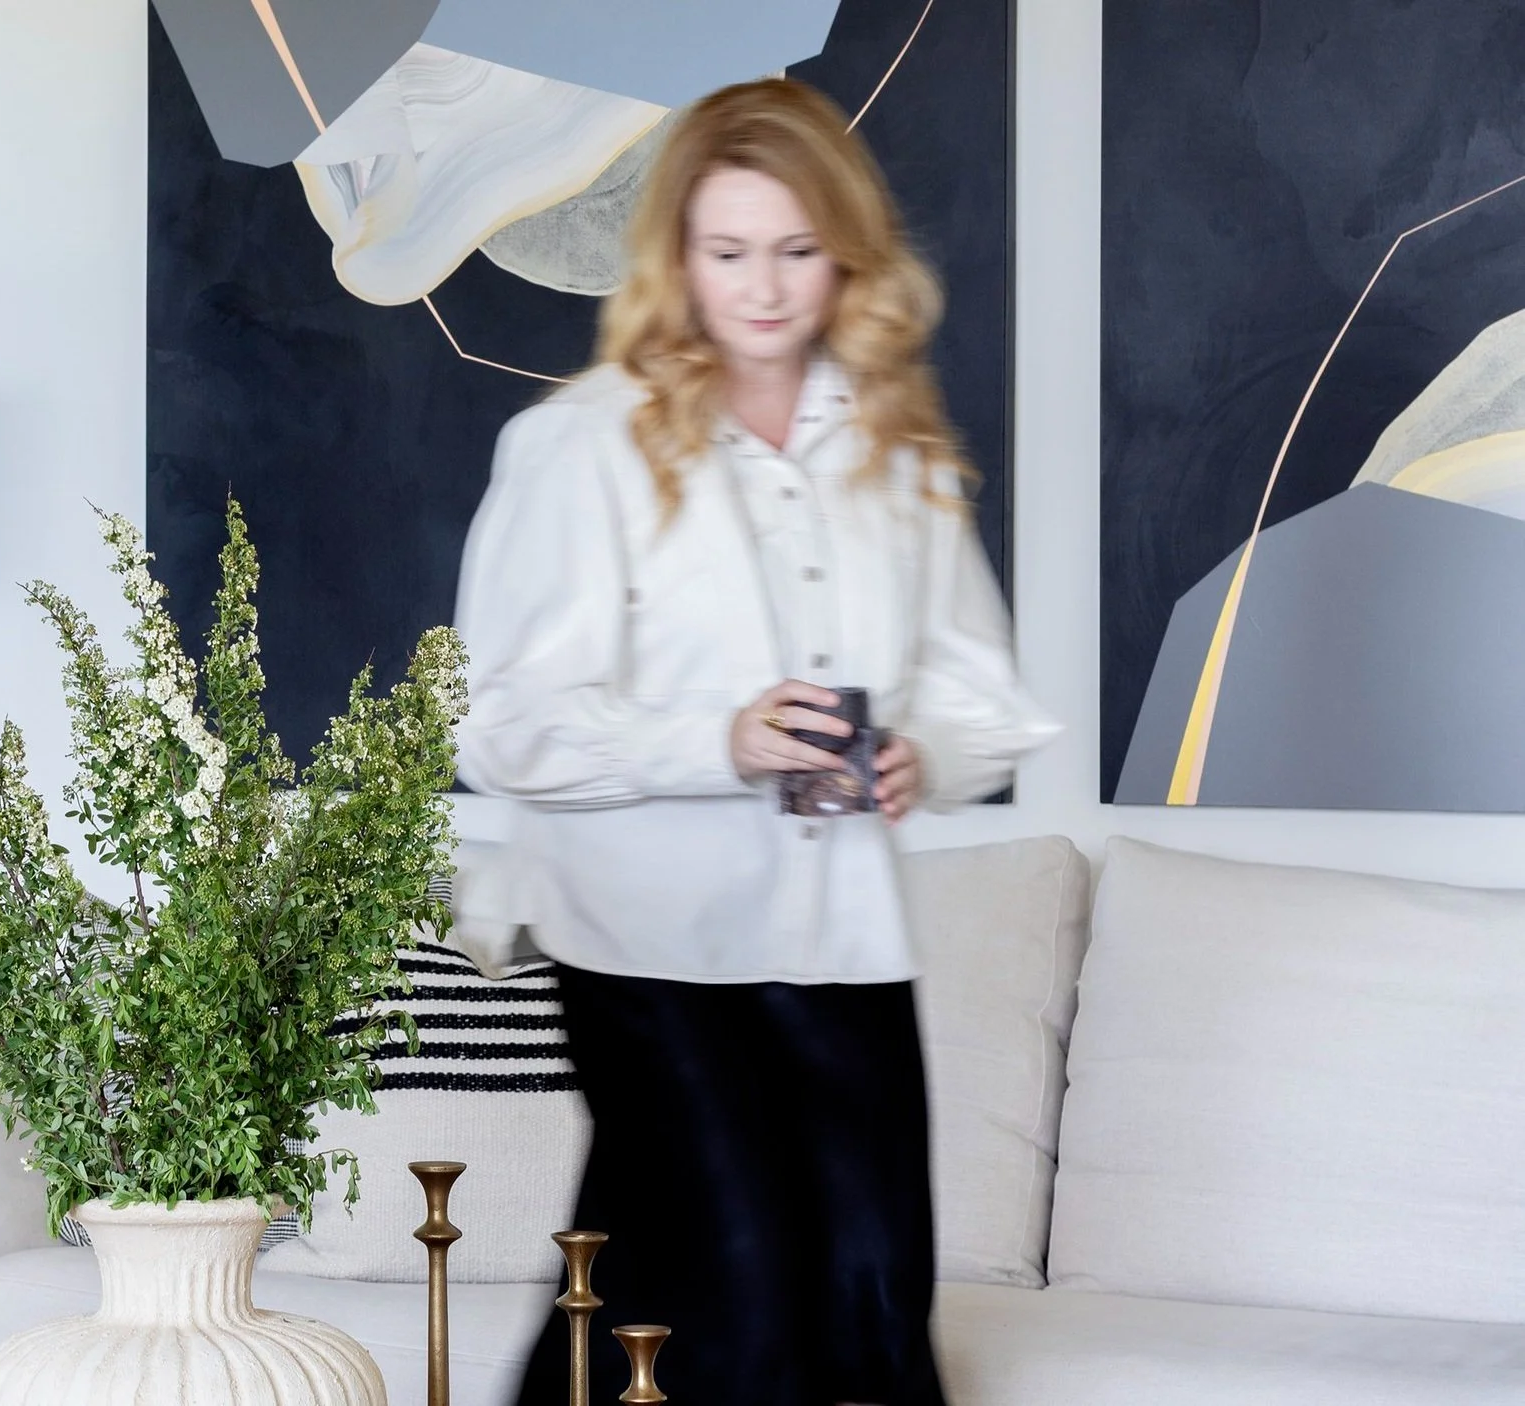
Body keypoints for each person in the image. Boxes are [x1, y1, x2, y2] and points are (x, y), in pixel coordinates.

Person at [453, 78, 1059, 1406]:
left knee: (871, 1298)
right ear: (676, 257)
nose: (765, 290)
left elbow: (977, 691)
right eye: (729, 253)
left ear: (846, 255)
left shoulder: (897, 447)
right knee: (721, 1301)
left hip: (840, 933)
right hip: (644, 941)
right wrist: (715, 738)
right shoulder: (577, 445)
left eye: (796, 252)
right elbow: (501, 724)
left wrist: (926, 758)